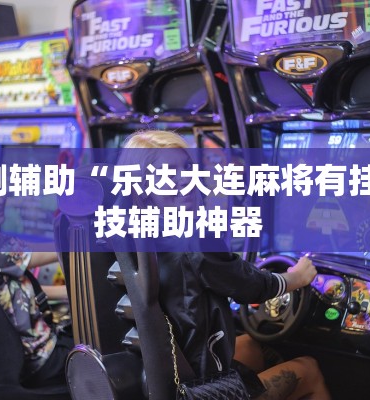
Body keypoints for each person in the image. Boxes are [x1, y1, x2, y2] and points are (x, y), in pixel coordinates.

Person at [118, 130, 331, 400]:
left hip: (166, 374)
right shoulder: (193, 237)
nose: (185, 179)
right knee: (309, 369)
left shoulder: (130, 232)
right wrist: (297, 277)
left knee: (252, 346)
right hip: (196, 390)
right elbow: (251, 286)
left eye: (187, 168)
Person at [0, 191, 71, 387]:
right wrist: (81, 237)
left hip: (19, 360)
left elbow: (19, 291)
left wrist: (71, 293)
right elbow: (47, 252)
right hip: (42, 358)